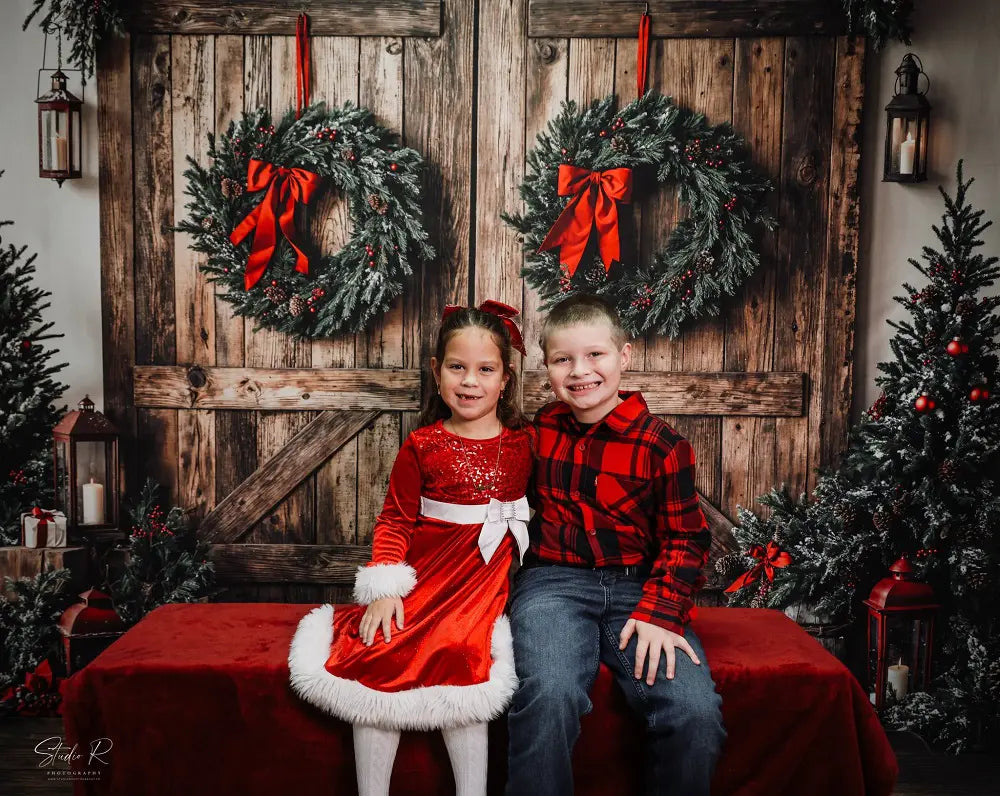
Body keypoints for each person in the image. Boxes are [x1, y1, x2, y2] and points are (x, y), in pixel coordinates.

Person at [289, 301, 534, 796]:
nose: (470, 382)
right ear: (436, 372)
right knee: (381, 649)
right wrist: (384, 586)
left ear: (505, 378)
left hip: (478, 589)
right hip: (427, 579)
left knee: (464, 655)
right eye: (457, 367)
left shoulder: (526, 444)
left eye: (485, 370)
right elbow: (396, 518)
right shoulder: (423, 444)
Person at [506, 293, 726, 796]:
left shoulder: (662, 445)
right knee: (551, 692)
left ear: (624, 357)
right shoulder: (539, 430)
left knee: (695, 713)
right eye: (563, 359)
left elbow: (686, 538)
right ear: (547, 366)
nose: (580, 371)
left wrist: (660, 611)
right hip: (552, 583)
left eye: (595, 355)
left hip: (639, 589)